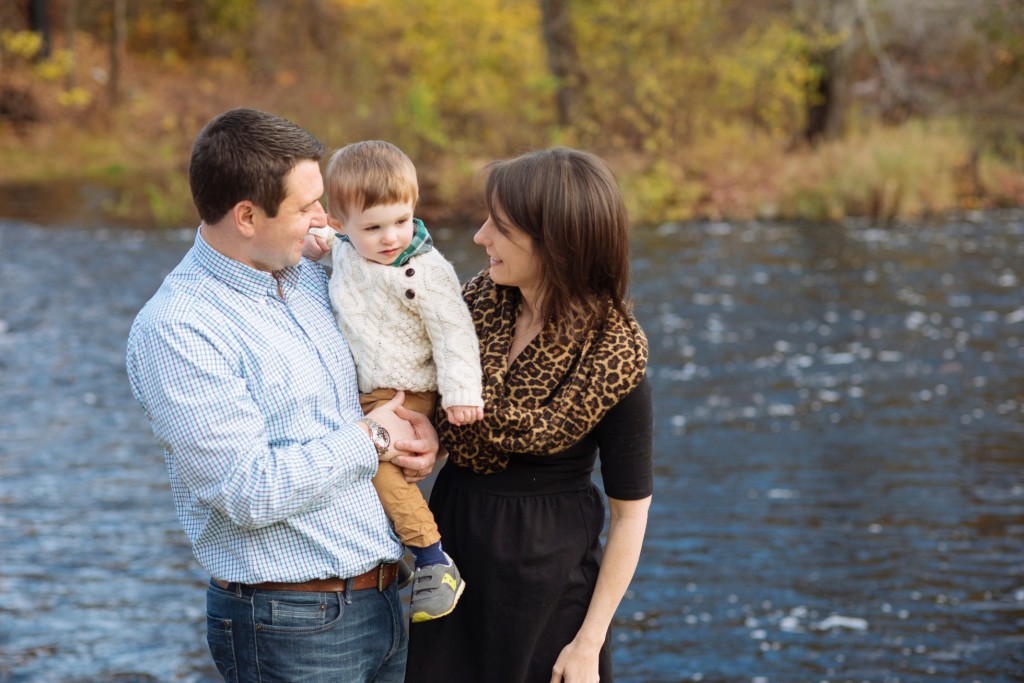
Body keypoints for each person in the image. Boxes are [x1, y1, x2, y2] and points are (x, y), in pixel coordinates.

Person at [125, 108, 439, 683]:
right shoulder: (179, 328)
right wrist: (372, 439)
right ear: (247, 215)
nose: (324, 218)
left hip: (388, 599)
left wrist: (416, 437)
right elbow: (248, 490)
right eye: (305, 207)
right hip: (290, 623)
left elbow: (390, 362)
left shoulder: (314, 277)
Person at [405, 147, 653, 683]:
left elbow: (630, 517)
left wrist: (589, 643)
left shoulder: (612, 356)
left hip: (550, 595)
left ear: (556, 242)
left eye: (501, 227)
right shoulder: (468, 310)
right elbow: (448, 419)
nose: (480, 237)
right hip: (452, 570)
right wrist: (430, 439)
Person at [306, 140, 482, 622]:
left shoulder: (423, 271)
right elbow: (324, 244)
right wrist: (309, 242)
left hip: (407, 391)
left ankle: (432, 558)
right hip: (362, 392)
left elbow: (454, 333)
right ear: (343, 226)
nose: (391, 237)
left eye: (401, 221)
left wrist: (462, 394)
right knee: (335, 456)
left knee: (376, 461)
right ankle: (390, 552)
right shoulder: (345, 248)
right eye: (374, 227)